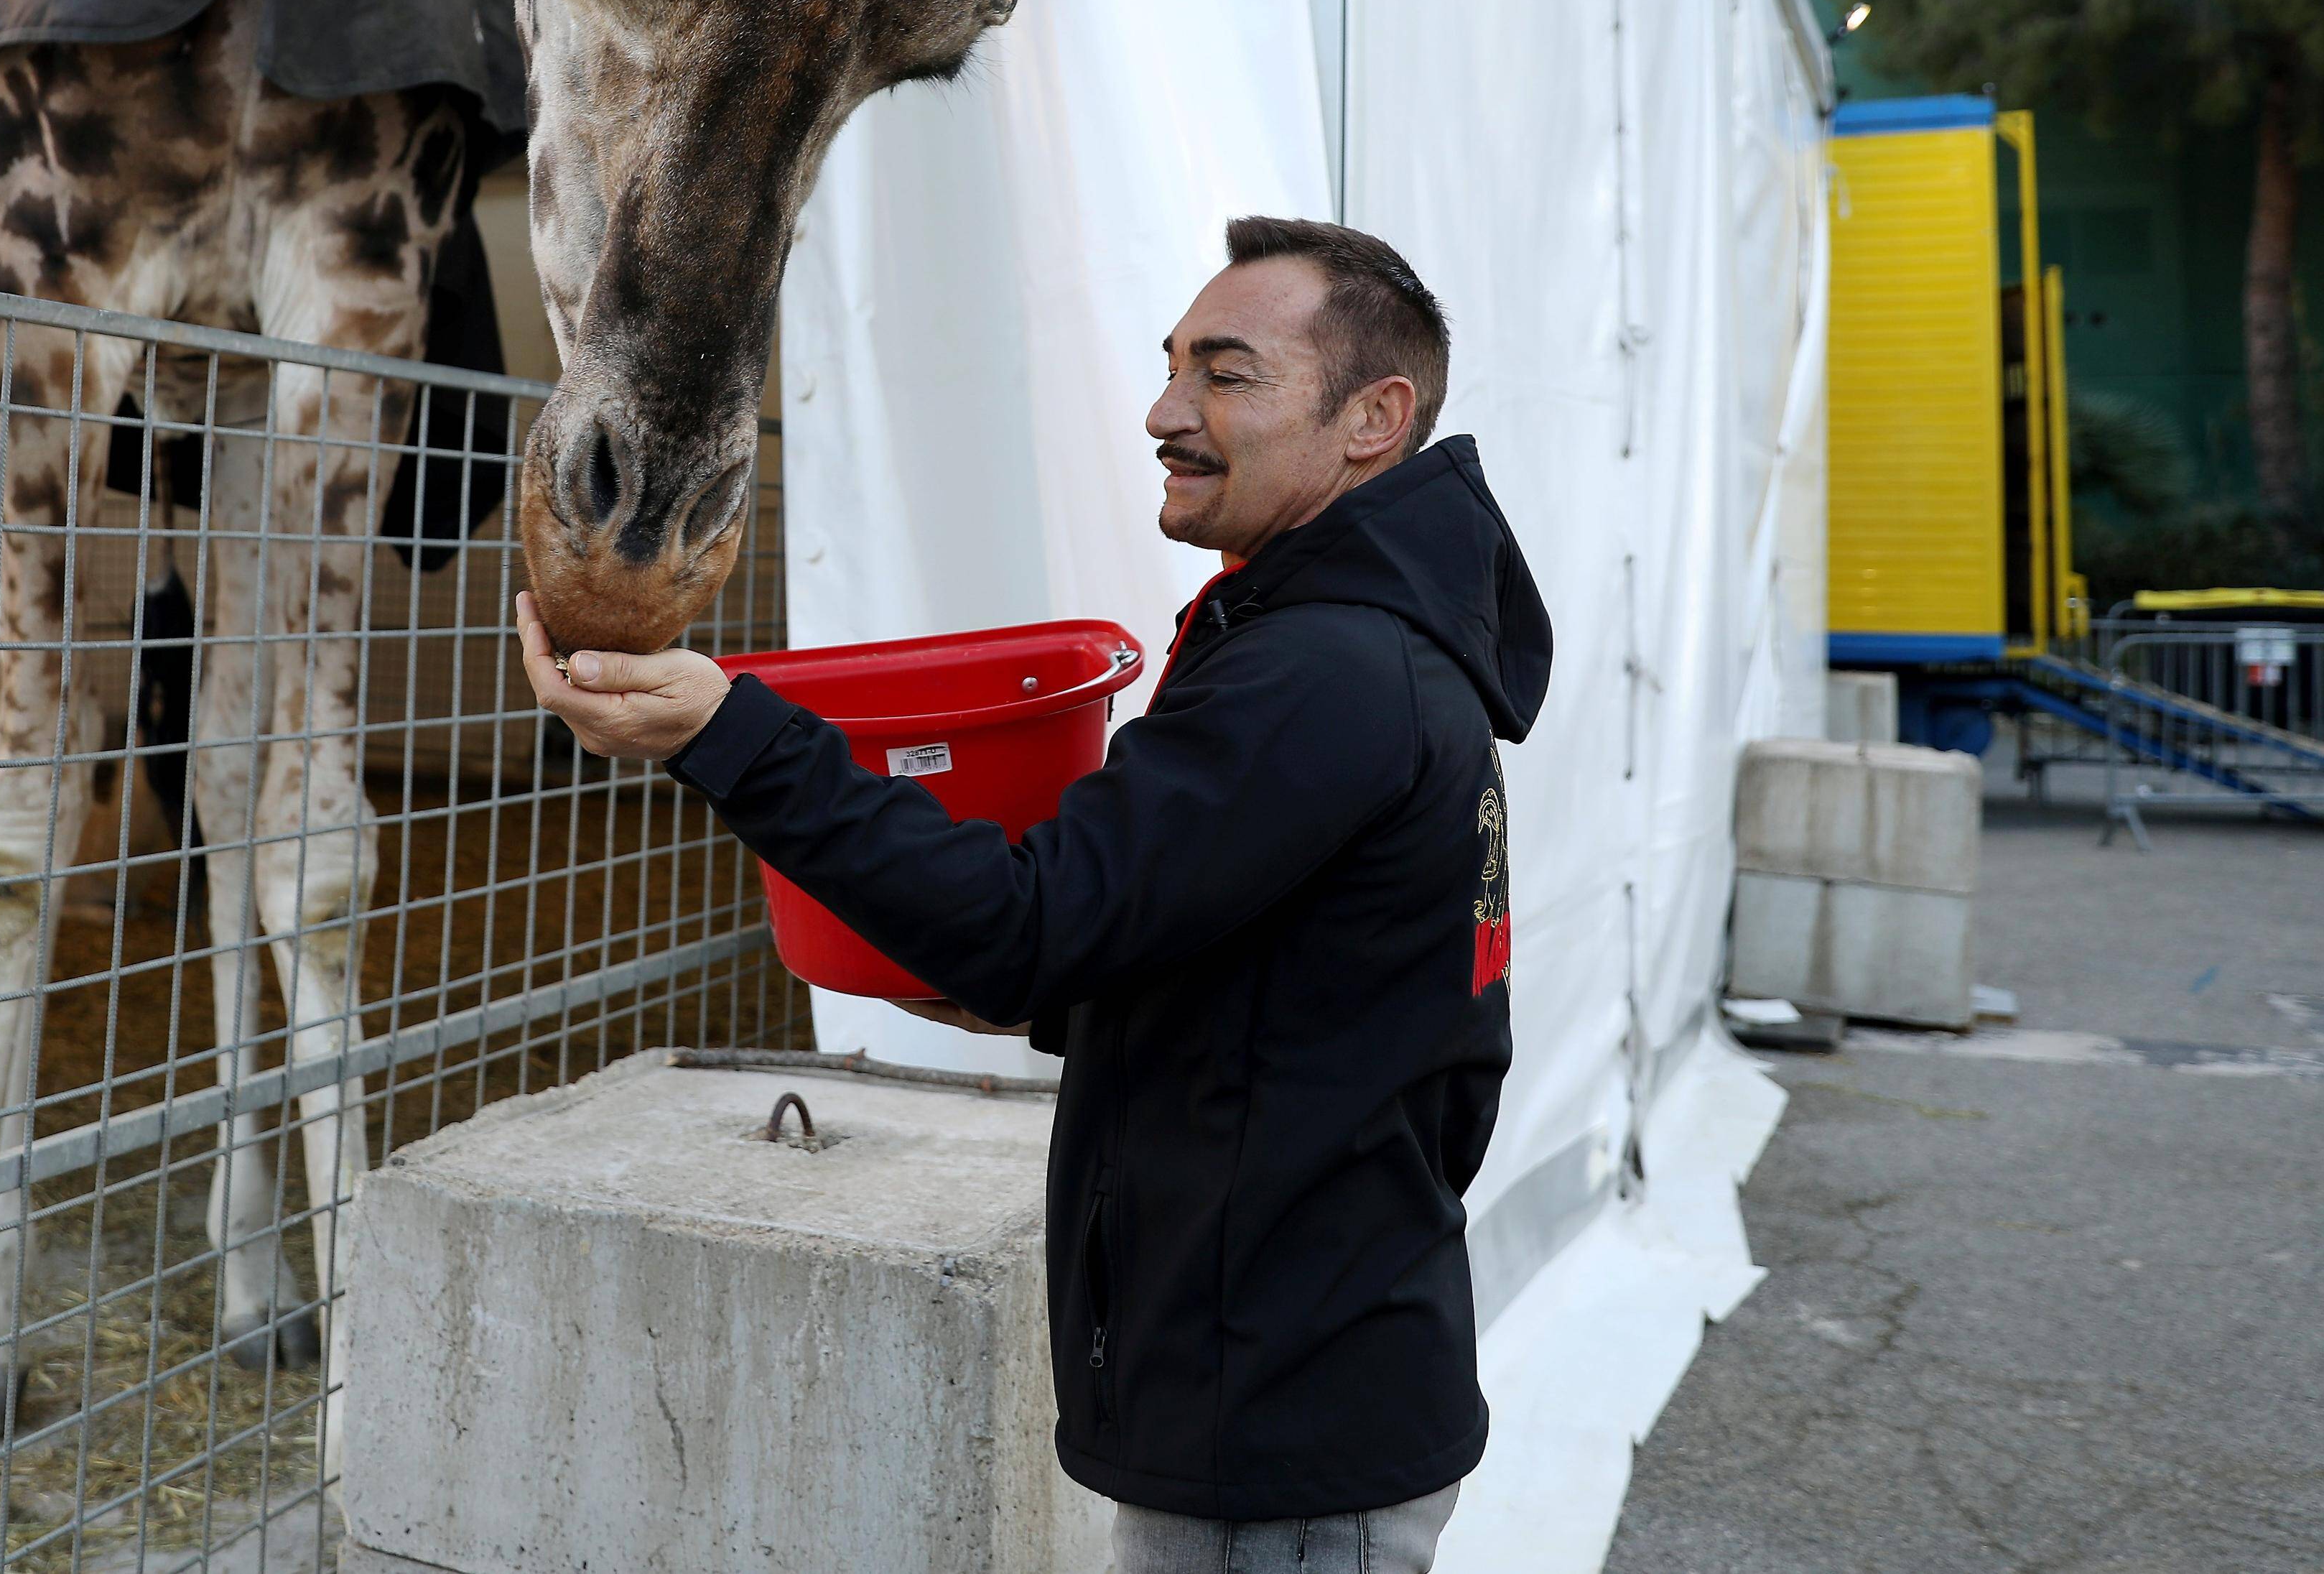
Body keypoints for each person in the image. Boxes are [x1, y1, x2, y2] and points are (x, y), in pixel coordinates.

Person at [515, 216, 1551, 1574]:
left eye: (1226, 375)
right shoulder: (1353, 651)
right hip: (1303, 1386)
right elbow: (1302, 988)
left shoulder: (1326, 674)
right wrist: (1068, 985)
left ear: (1375, 417)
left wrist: (729, 732)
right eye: (1172, 364)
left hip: (1285, 1444)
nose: (1163, 410)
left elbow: (1036, 923)